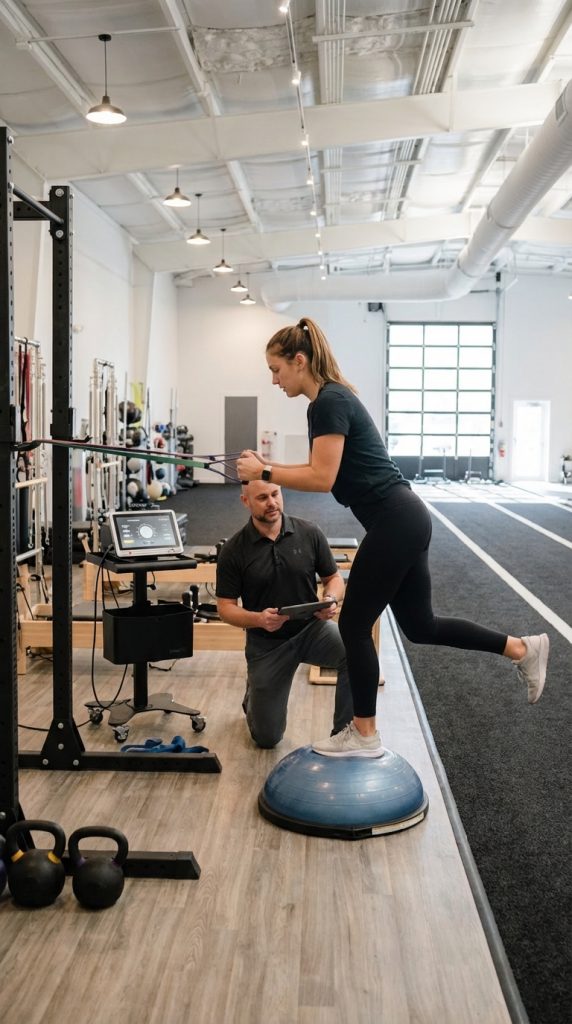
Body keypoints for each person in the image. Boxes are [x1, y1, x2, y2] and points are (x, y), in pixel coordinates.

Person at [236, 316, 549, 759]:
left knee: (353, 624)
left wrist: (264, 470)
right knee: (421, 626)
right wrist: (266, 468)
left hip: (396, 521)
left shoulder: (327, 401)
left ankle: (363, 733)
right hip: (404, 518)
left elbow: (322, 478)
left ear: (299, 361)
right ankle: (522, 648)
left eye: (277, 369)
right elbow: (320, 470)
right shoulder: (329, 400)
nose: (274, 380)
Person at [215, 478, 353, 748]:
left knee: (357, 653)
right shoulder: (234, 549)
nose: (272, 503)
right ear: (246, 502)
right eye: (262, 498)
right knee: (267, 739)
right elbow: (225, 608)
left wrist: (330, 599)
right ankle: (253, 694)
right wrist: (258, 620)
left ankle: (345, 734)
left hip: (312, 630)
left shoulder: (309, 532)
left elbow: (334, 578)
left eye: (275, 494)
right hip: (267, 644)